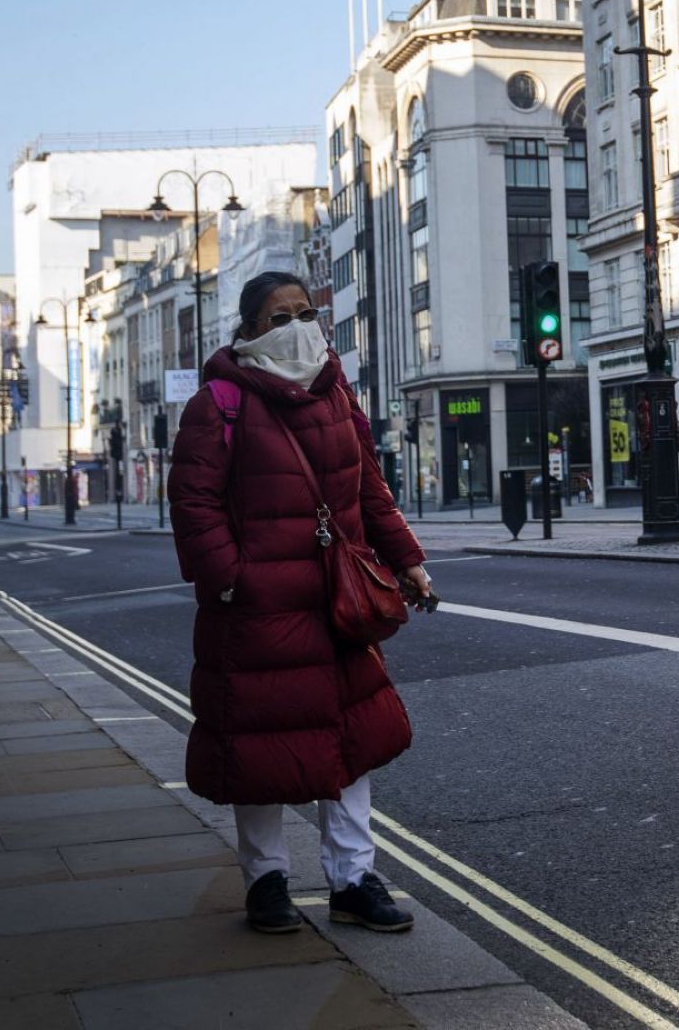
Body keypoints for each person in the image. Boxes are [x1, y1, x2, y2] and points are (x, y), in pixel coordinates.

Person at [169, 271, 435, 935]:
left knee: (350, 744)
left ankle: (353, 879)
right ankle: (267, 883)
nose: (295, 325)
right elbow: (193, 502)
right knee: (259, 750)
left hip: (336, 604)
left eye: (304, 312)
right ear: (249, 331)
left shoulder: (337, 392)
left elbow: (370, 489)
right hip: (257, 612)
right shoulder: (220, 402)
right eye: (278, 316)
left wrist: (407, 559)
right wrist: (232, 578)